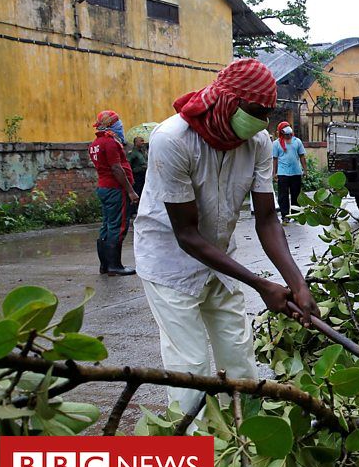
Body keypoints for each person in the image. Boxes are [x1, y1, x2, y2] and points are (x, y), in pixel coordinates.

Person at [135, 59, 320, 415]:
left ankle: (247, 444)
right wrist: (260, 285)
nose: (262, 121)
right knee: (190, 368)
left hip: (220, 259)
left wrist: (297, 283)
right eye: (255, 111)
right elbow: (186, 235)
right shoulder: (172, 140)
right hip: (170, 263)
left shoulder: (259, 143)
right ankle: (199, 454)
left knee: (239, 358)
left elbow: (267, 219)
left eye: (267, 113)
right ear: (228, 101)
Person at [88, 110, 139, 276]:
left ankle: (105, 265)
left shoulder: (95, 143)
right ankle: (115, 266)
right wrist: (130, 191)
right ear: (112, 125)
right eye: (119, 124)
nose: (121, 127)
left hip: (104, 187)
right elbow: (116, 168)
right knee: (118, 226)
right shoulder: (110, 143)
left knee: (107, 225)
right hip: (115, 189)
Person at [271, 121, 307, 222]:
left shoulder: (297, 141)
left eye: (288, 126)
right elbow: (275, 159)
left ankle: (296, 215)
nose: (287, 129)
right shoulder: (276, 144)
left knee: (296, 195)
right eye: (285, 127)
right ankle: (285, 216)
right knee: (283, 196)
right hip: (283, 173)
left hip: (296, 172)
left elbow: (302, 156)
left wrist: (305, 170)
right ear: (281, 131)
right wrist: (274, 173)